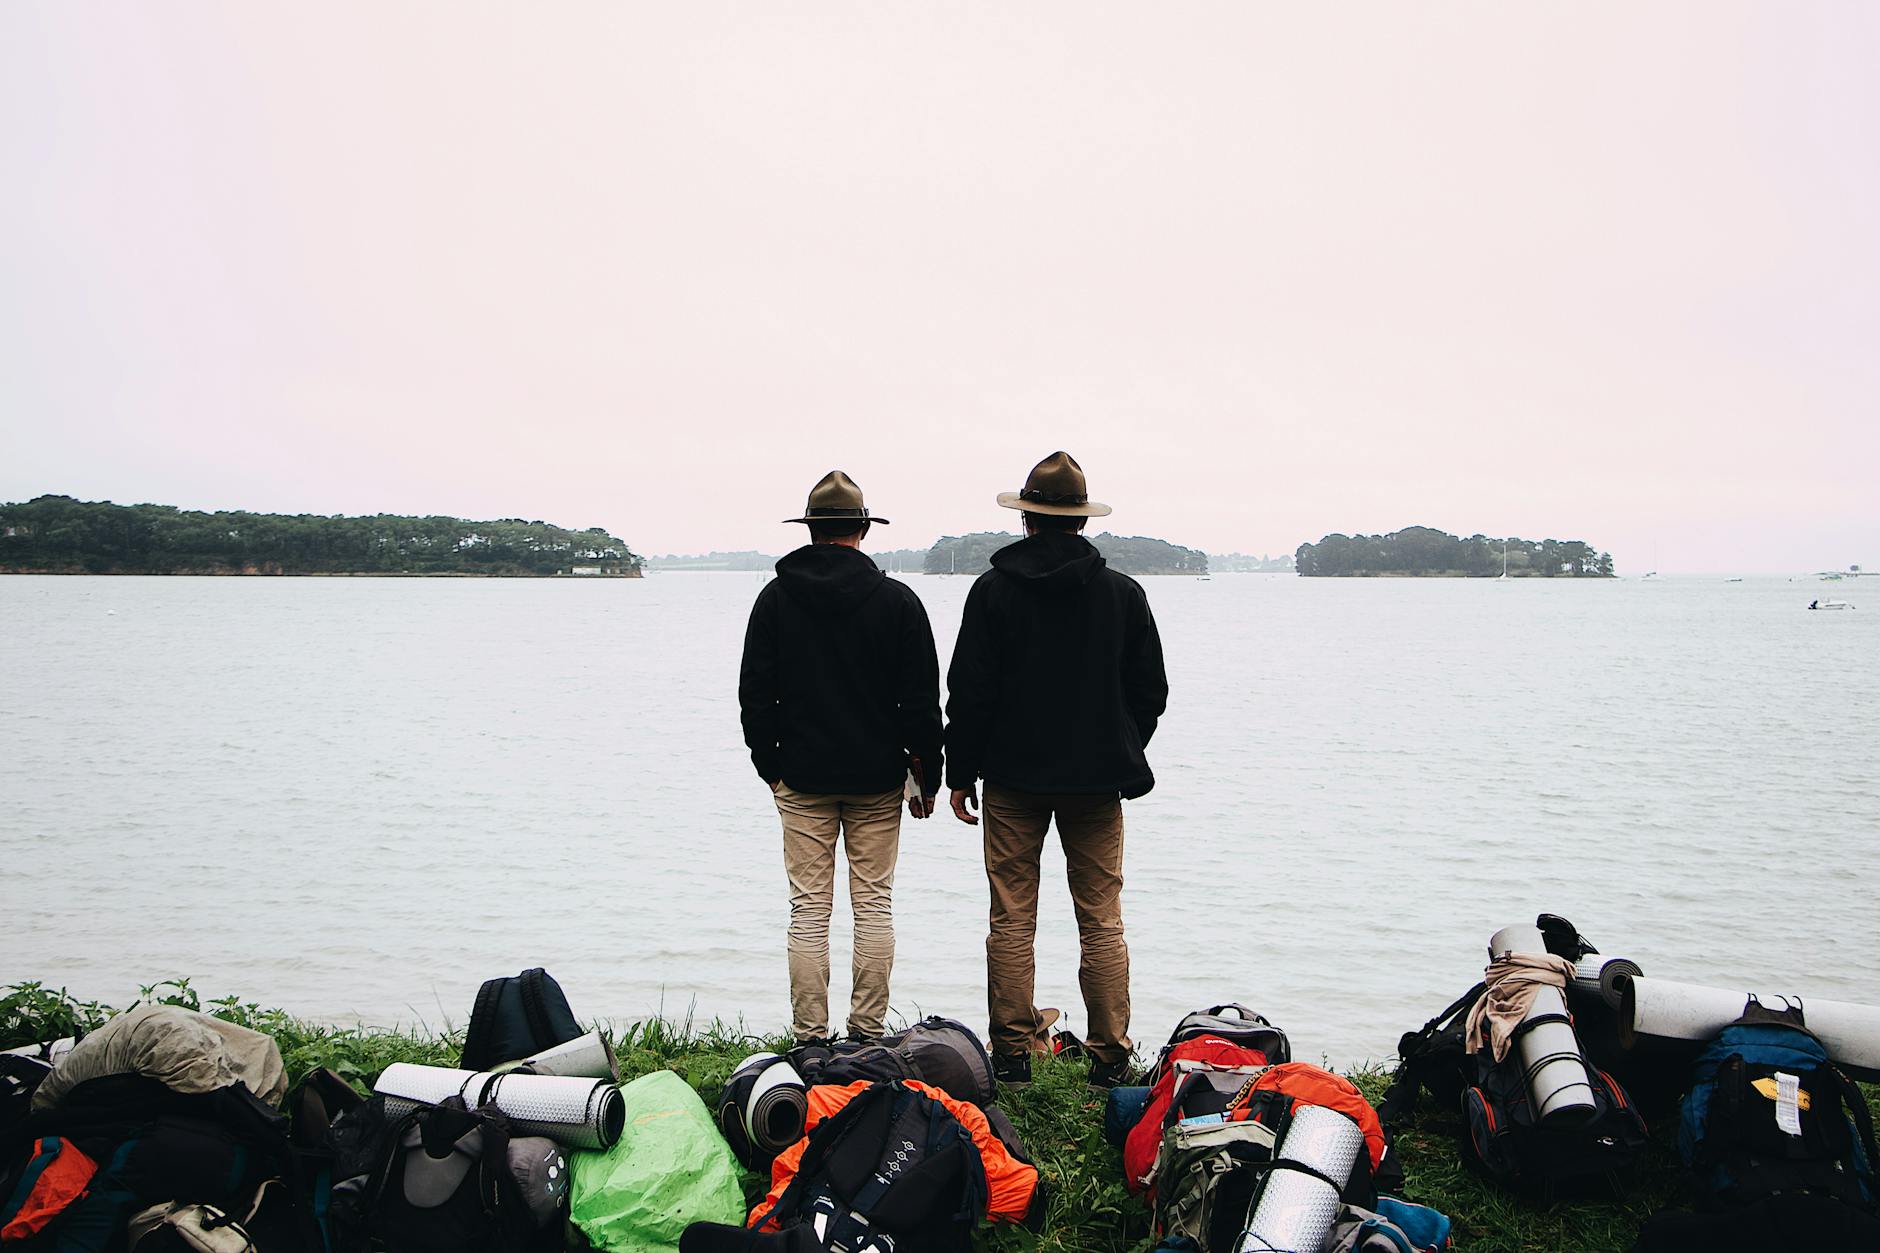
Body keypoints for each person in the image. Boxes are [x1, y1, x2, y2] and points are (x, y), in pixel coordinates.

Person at [944, 451, 1168, 1088]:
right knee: (1101, 916)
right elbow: (1150, 691)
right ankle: (1109, 1058)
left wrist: (960, 772)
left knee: (1012, 915)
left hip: (1013, 780)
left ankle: (1013, 1055)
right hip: (1098, 783)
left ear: (1027, 521)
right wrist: (1121, 741)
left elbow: (970, 692)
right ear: (1080, 521)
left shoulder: (992, 592)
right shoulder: (1123, 595)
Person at [739, 470, 943, 1045]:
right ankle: (868, 1035)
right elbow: (922, 702)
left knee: (808, 910)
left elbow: (755, 692)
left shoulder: (775, 599)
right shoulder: (898, 602)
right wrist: (928, 774)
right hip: (877, 778)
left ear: (810, 531)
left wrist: (769, 764)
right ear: (861, 530)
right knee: (873, 906)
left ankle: (809, 1037)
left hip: (800, 776)